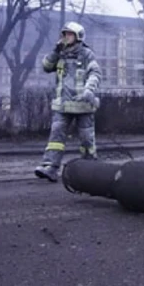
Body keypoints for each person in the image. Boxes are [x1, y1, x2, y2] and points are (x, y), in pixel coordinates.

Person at [34, 21, 101, 182]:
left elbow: (95, 73)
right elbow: (46, 67)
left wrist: (88, 90)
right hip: (63, 105)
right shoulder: (60, 54)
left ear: (78, 37)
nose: (66, 37)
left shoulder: (86, 54)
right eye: (64, 34)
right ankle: (50, 167)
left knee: (86, 138)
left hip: (83, 104)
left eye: (69, 34)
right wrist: (55, 51)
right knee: (56, 136)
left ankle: (89, 168)